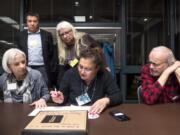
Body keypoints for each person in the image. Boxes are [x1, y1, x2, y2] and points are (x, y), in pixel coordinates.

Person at [50, 48, 122, 114]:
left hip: (95, 114)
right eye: (80, 67)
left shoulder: (104, 75)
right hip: (73, 113)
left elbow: (118, 96)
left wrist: (106, 100)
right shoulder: (69, 74)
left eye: (87, 69)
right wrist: (60, 99)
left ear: (97, 68)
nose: (82, 72)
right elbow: (63, 97)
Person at [56, 21, 108, 87]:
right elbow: (64, 68)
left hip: (89, 73)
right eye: (62, 34)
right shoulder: (61, 47)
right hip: (74, 77)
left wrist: (105, 65)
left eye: (67, 32)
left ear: (72, 30)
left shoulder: (83, 38)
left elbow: (98, 50)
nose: (65, 36)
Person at [17, 12, 57, 88]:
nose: (32, 23)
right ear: (26, 22)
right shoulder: (21, 35)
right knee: (28, 88)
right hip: (27, 68)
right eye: (30, 21)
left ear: (38, 22)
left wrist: (52, 70)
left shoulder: (47, 35)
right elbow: (18, 53)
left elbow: (51, 54)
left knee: (44, 88)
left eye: (35, 21)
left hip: (43, 68)